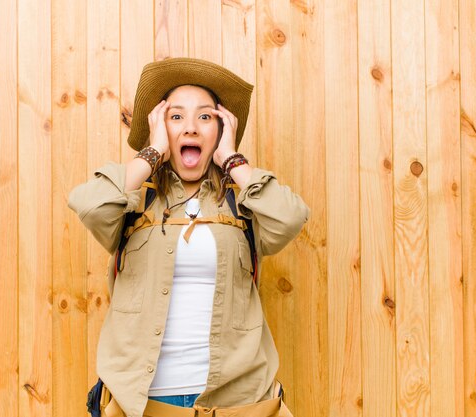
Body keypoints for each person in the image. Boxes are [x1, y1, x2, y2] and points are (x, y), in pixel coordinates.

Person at [69, 57, 309, 417]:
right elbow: (87, 203)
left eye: (206, 116)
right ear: (160, 128)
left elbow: (291, 215)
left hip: (236, 402)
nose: (191, 127)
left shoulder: (242, 206)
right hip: (144, 404)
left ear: (221, 129)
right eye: (176, 116)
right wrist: (152, 154)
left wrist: (232, 159)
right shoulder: (135, 202)